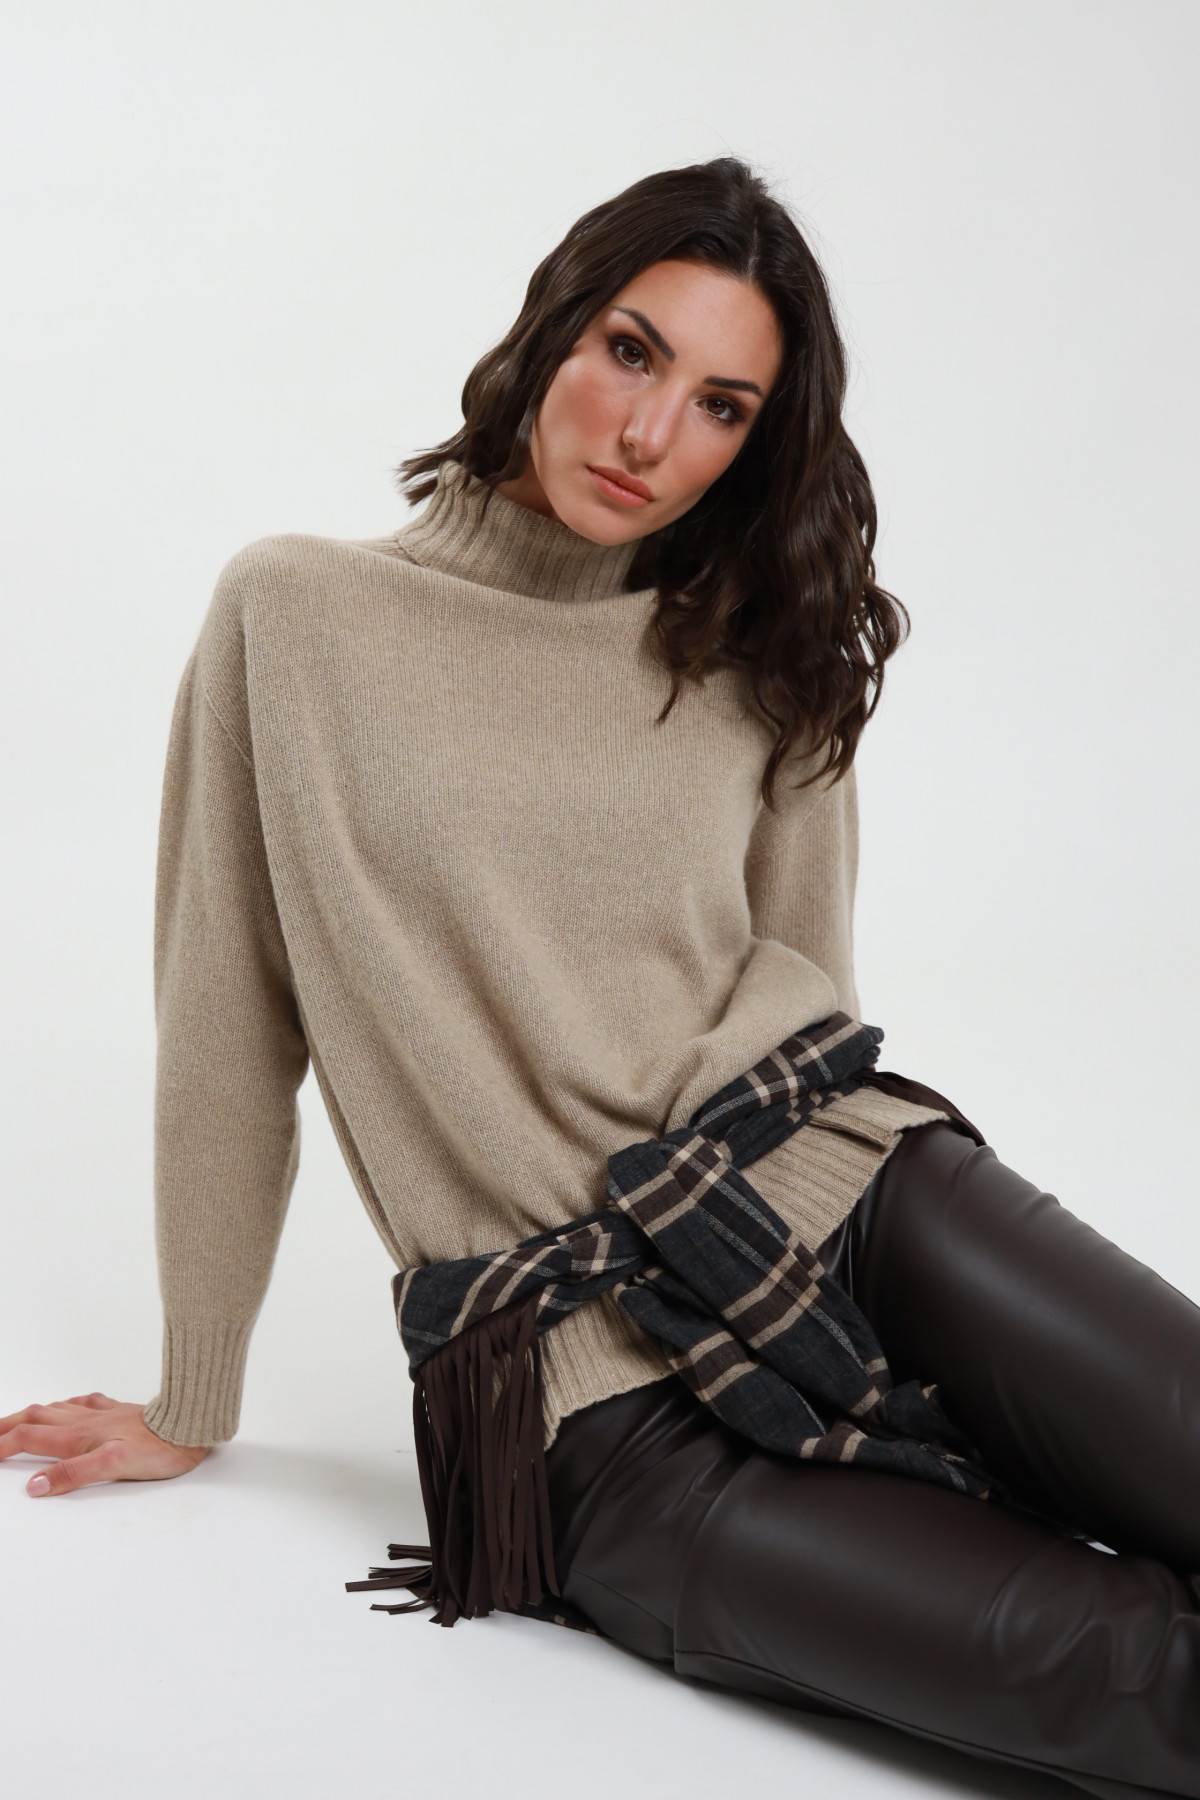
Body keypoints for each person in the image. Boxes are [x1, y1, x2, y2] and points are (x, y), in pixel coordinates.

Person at [2, 158, 1198, 1798]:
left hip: (852, 1205)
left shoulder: (757, 639)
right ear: (551, 330)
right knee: (1144, 1683)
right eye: (632, 352)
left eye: (720, 406)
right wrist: (192, 1389)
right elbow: (226, 1021)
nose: (649, 434)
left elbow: (809, 976)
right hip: (580, 1404)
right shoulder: (298, 618)